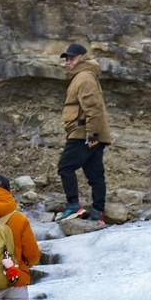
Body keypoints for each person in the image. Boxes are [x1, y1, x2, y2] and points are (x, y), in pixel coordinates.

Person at [57, 42, 111, 224]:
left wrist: (92, 135)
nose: (67, 61)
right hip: (91, 134)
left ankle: (73, 206)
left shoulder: (84, 77)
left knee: (65, 167)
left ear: (82, 58)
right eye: (66, 58)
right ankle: (98, 211)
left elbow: (93, 108)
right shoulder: (84, 76)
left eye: (71, 58)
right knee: (95, 174)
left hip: (82, 134)